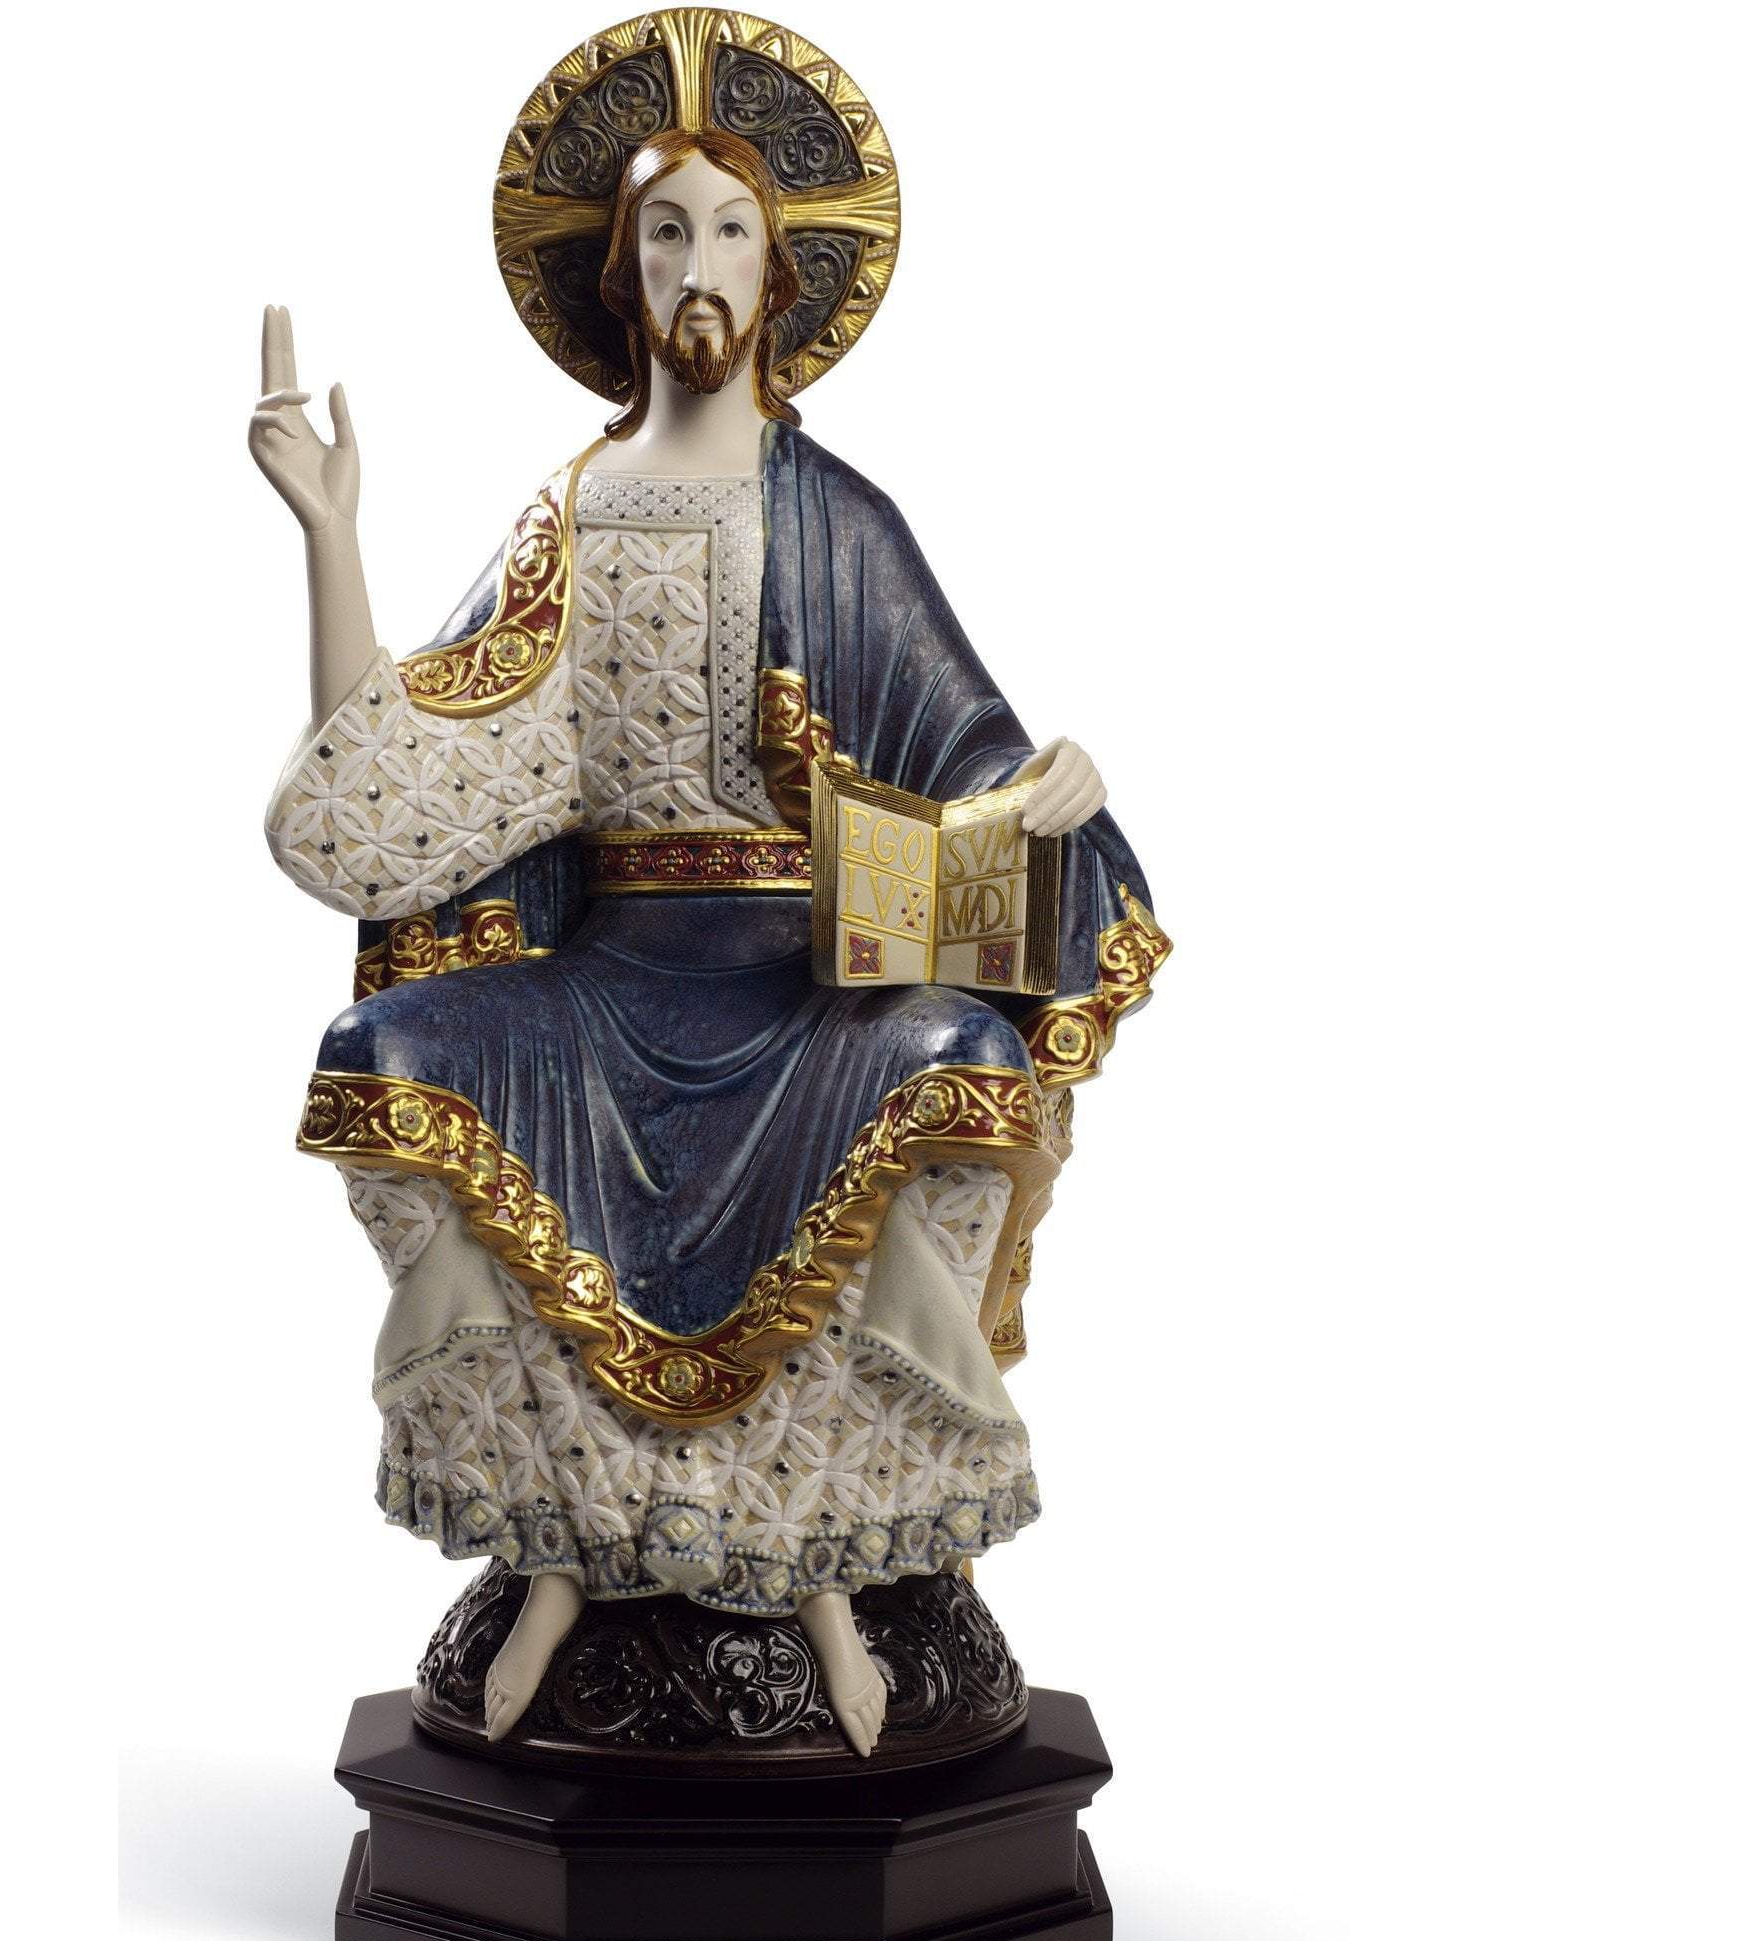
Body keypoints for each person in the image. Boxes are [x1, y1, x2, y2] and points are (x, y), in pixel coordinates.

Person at [252, 120, 1164, 1759]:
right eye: (664, 232)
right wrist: (330, 535)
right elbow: (392, 792)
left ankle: (827, 1562)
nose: (696, 268)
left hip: (807, 985)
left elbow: (970, 764)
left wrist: (1053, 792)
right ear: (622, 275)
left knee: (958, 1067)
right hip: (607, 981)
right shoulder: (571, 521)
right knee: (380, 1059)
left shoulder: (839, 519)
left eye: (729, 231)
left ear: (778, 271)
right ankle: (564, 1546)